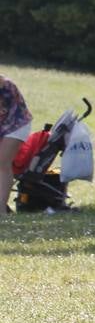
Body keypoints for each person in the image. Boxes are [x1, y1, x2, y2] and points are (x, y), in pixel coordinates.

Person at [0, 74, 34, 217]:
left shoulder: (5, 85)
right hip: (3, 123)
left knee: (2, 163)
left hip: (16, 124)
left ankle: (1, 210)